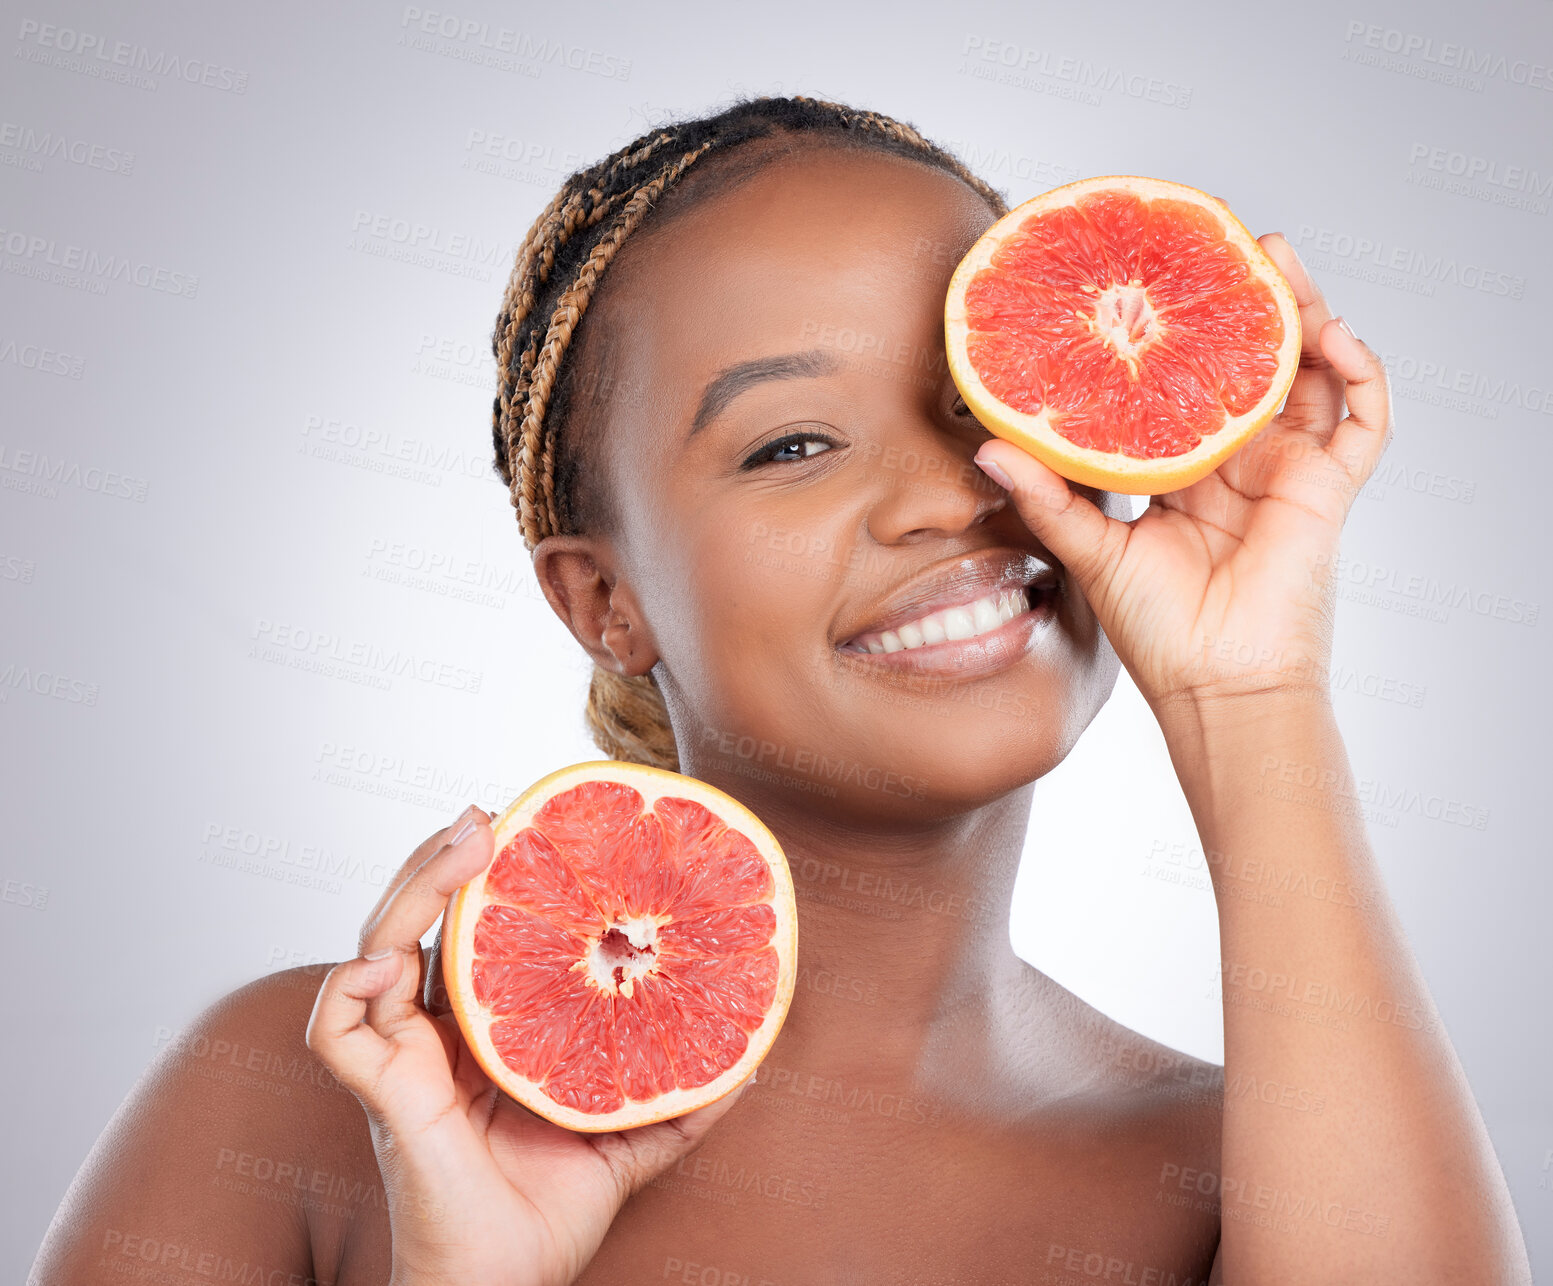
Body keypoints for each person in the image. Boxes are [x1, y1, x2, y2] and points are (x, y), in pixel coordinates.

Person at [31, 94, 1532, 1286]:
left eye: (972, 403)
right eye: (791, 445)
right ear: (602, 601)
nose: (952, 495)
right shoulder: (317, 1100)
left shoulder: (1238, 1169)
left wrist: (1248, 692)